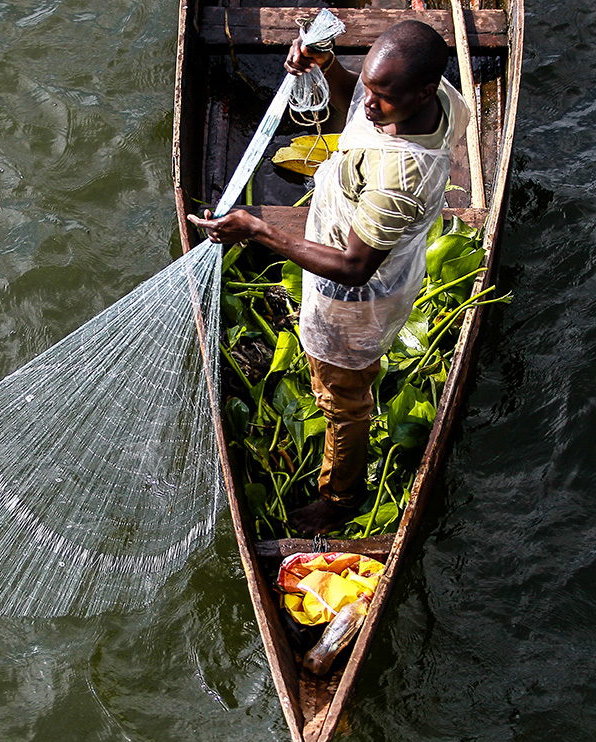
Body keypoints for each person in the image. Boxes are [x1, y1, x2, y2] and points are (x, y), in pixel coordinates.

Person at [188, 20, 471, 535]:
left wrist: (257, 229)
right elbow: (360, 108)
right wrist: (330, 67)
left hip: (355, 296)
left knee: (341, 401)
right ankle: (363, 379)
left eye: (382, 97)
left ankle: (341, 497)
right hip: (375, 253)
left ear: (423, 90)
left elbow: (354, 268)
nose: (368, 103)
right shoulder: (433, 102)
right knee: (350, 375)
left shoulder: (396, 180)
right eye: (368, 86)